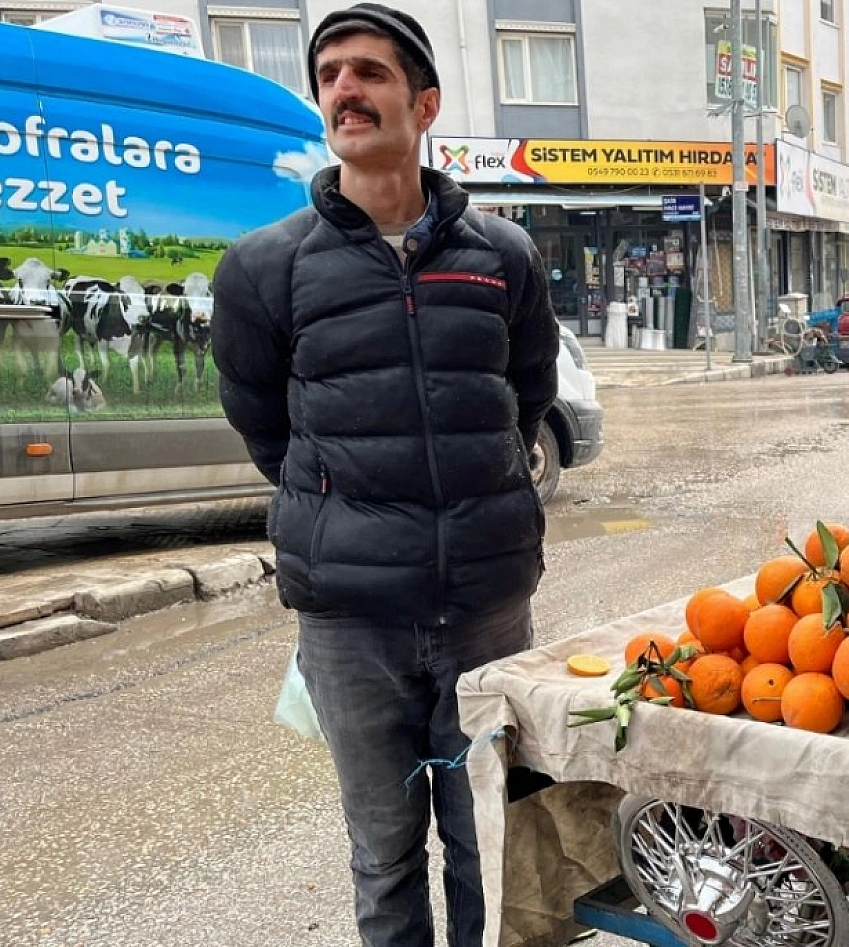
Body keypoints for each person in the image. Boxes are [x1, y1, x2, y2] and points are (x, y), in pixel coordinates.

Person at [210, 5, 559, 946]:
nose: (344, 90)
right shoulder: (265, 267)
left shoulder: (504, 255)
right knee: (385, 852)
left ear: (425, 104)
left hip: (487, 606)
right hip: (351, 620)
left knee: (488, 839)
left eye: (368, 72)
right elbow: (265, 425)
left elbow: (525, 397)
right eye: (329, 75)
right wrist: (346, 516)